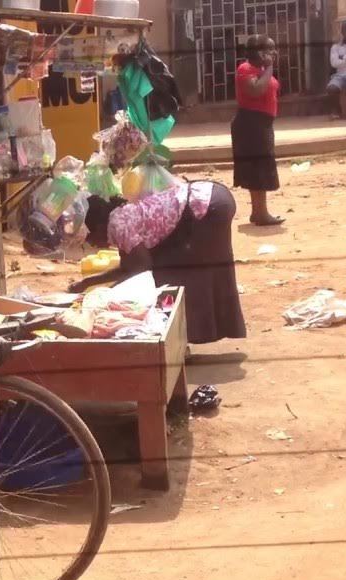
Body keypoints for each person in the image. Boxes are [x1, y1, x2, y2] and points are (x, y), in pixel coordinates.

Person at [67, 181, 247, 346]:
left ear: (99, 226)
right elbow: (130, 266)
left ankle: (180, 343)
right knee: (193, 269)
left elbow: (141, 268)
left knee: (178, 276)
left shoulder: (118, 225)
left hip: (205, 207)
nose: (93, 244)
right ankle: (188, 338)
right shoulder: (121, 217)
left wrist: (105, 295)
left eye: (90, 238)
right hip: (213, 197)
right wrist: (88, 282)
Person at [232, 34, 285, 226]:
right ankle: (261, 213)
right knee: (257, 167)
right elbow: (255, 90)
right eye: (270, 49)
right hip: (249, 123)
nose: (274, 53)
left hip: (261, 123)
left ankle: (258, 212)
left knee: (261, 166)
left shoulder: (261, 69)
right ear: (260, 51)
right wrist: (270, 67)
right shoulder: (245, 69)